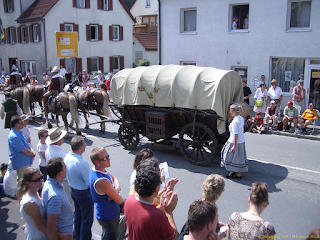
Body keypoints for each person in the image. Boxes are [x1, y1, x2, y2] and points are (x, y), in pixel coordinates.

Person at [124, 161, 179, 240]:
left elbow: (144, 215)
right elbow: (173, 237)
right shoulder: (158, 216)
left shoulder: (129, 201)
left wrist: (162, 206)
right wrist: (169, 212)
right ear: (157, 188)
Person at [180, 174, 228, 240]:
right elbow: (211, 237)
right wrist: (224, 233)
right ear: (219, 194)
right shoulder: (213, 213)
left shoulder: (197, 206)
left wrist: (218, 224)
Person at [64, 136, 94, 240]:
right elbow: (89, 183)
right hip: (83, 194)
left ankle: (76, 237)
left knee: (78, 217)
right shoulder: (82, 164)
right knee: (86, 220)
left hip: (73, 190)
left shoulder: (67, 157)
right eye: (84, 145)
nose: (85, 146)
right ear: (81, 148)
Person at [89, 147, 122, 240]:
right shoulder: (102, 181)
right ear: (97, 162)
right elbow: (119, 200)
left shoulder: (99, 170)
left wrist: (116, 189)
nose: (109, 159)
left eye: (108, 156)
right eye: (105, 158)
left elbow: (115, 179)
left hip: (107, 214)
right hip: (109, 217)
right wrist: (116, 193)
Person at [42, 157, 73, 240]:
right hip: (63, 236)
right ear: (60, 173)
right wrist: (61, 236)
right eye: (65, 168)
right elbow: (50, 226)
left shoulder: (49, 183)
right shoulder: (55, 196)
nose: (67, 169)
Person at [45, 127, 73, 209]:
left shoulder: (48, 150)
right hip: (63, 181)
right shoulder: (62, 154)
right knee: (68, 204)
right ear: (57, 141)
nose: (63, 138)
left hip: (53, 178)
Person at [17, 167, 47, 240]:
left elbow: (31, 217)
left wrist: (29, 222)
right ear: (28, 183)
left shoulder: (34, 192)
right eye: (37, 180)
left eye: (41, 177)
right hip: (38, 236)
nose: (40, 181)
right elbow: (40, 226)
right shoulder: (30, 203)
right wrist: (58, 234)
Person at [221, 104, 248, 179]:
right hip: (241, 141)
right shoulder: (241, 118)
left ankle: (231, 172)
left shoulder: (235, 121)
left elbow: (236, 134)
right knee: (239, 157)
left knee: (229, 157)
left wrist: (234, 145)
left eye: (231, 111)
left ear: (235, 111)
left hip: (234, 141)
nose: (230, 112)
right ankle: (239, 174)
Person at [8, 115, 35, 183]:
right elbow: (23, 150)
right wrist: (32, 153)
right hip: (22, 163)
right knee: (23, 182)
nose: (23, 124)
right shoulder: (14, 136)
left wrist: (31, 150)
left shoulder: (19, 132)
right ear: (16, 124)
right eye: (21, 123)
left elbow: (26, 144)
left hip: (25, 161)